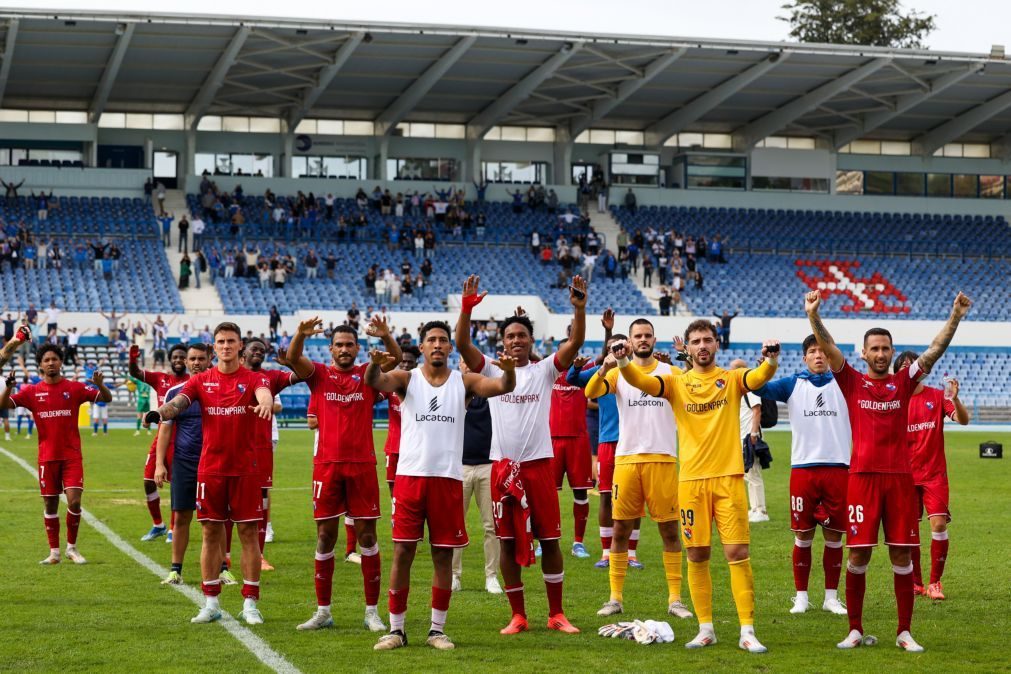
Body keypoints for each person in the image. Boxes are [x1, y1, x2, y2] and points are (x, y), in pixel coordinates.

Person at [805, 290, 972, 652]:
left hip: (899, 481)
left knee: (901, 555)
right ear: (863, 353)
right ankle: (853, 629)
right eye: (874, 349)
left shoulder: (903, 382)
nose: (880, 354)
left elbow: (934, 350)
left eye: (886, 348)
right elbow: (828, 346)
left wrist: (955, 315)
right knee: (858, 555)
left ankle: (904, 632)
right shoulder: (849, 380)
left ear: (892, 353)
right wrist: (813, 315)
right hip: (862, 479)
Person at [614, 320, 780, 653]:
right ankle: (706, 628)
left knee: (737, 553)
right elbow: (639, 380)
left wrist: (771, 360)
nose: (702, 345)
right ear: (687, 348)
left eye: (707, 340)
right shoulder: (677, 382)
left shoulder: (731, 380)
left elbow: (758, 377)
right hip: (690, 483)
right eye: (695, 341)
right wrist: (622, 361)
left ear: (716, 345)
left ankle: (747, 630)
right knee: (697, 554)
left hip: (729, 480)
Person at [368, 321, 517, 651]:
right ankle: (396, 630)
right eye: (431, 340)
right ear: (421, 348)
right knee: (403, 552)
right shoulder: (408, 379)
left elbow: (502, 387)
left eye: (443, 341)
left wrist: (508, 372)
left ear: (451, 348)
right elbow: (376, 380)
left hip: (448, 480)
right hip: (410, 478)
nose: (437, 344)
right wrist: (375, 363)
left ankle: (437, 631)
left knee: (442, 556)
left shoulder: (463, 383)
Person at [455, 274, 587, 636]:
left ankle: (557, 613)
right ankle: (518, 615)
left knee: (549, 539)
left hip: (539, 466)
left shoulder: (544, 370)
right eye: (510, 336)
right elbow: (462, 343)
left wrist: (579, 308)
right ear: (503, 342)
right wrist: (466, 309)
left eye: (522, 335)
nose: (516, 340)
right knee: (508, 542)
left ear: (531, 341)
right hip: (502, 468)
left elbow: (575, 342)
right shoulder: (491, 370)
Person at [146, 322, 276, 626]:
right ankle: (211, 602)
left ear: (240, 345)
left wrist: (266, 403)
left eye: (232, 341)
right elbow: (177, 403)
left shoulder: (254, 378)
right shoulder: (201, 381)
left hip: (246, 470)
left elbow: (264, 393)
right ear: (213, 347)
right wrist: (160, 413)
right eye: (221, 341)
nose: (226, 346)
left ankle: (250, 603)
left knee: (247, 535)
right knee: (210, 534)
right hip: (211, 470)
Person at [286, 315, 402, 633]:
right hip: (327, 467)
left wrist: (387, 335)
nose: (344, 349)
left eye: (350, 344)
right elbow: (294, 358)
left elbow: (396, 360)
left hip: (362, 467)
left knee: (367, 536)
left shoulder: (368, 374)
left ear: (358, 348)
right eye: (339, 345)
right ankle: (323, 611)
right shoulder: (319, 375)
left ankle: (371, 612)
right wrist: (300, 333)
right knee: (325, 536)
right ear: (331, 349)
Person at [586, 319, 692, 621]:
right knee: (621, 529)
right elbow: (590, 392)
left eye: (647, 335)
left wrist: (684, 356)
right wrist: (605, 367)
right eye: (637, 336)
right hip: (628, 460)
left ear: (654, 340)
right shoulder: (618, 374)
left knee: (670, 530)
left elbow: (694, 386)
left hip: (663, 459)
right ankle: (615, 598)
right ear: (630, 341)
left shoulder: (669, 372)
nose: (643, 340)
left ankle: (675, 599)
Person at [752, 335, 851, 616]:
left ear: (831, 356)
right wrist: (766, 364)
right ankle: (801, 596)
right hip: (804, 470)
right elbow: (758, 387)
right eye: (812, 351)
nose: (818, 355)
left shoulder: (845, 384)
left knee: (834, 535)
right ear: (804, 357)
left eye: (823, 351)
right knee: (803, 534)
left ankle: (831, 597)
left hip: (837, 467)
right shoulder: (793, 383)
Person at [2, 341, 112, 565]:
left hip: (71, 456)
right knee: (50, 505)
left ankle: (72, 548)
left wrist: (101, 385)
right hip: (47, 457)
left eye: (54, 359)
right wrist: (9, 387)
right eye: (46, 360)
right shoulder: (32, 392)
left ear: (61, 362)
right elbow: (3, 404)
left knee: (74, 502)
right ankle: (54, 552)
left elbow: (106, 399)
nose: (51, 363)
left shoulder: (75, 388)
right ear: (40, 365)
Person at [892, 351, 970, 600]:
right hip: (904, 476)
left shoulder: (937, 397)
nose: (908, 369)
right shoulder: (893, 401)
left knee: (938, 524)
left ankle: (935, 583)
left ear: (922, 369)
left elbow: (963, 420)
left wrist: (956, 400)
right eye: (902, 367)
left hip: (934, 475)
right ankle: (915, 582)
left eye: (912, 365)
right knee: (909, 530)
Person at [153, 343, 212, 585]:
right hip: (184, 463)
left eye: (201, 358)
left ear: (209, 360)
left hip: (213, 462)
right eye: (192, 359)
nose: (196, 363)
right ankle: (175, 570)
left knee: (214, 520)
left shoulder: (217, 389)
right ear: (186, 363)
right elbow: (164, 431)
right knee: (181, 517)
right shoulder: (174, 393)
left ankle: (221, 568)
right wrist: (159, 464)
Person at [243, 338, 300, 571]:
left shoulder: (269, 378)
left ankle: (261, 550)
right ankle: (224, 557)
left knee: (262, 491)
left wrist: (292, 363)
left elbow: (279, 402)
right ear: (243, 351)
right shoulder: (232, 374)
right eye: (253, 349)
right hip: (234, 443)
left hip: (265, 439)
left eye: (262, 350)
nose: (258, 352)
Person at [451, 360, 503, 595]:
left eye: (470, 361)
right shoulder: (452, 392)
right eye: (463, 361)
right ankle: (454, 575)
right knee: (454, 526)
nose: (467, 365)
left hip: (488, 466)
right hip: (458, 467)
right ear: (459, 365)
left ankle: (491, 576)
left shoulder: (492, 393)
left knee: (492, 526)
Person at [130, 343, 190, 542]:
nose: (178, 360)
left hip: (181, 439)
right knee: (148, 482)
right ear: (170, 360)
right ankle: (159, 525)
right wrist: (132, 358)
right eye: (175, 357)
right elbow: (136, 372)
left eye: (182, 357)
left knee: (176, 485)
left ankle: (174, 529)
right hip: (161, 438)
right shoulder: (161, 379)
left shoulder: (192, 382)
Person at [732, 359, 768, 524]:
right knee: (749, 475)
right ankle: (754, 508)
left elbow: (757, 410)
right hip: (742, 437)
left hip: (749, 437)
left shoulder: (750, 388)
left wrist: (753, 435)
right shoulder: (740, 388)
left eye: (733, 369)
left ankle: (761, 510)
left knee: (754, 474)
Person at [382, 346, 420, 495]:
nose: (405, 365)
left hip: (415, 447)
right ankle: (395, 516)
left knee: (414, 488)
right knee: (393, 486)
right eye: (402, 361)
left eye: (409, 362)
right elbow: (373, 395)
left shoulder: (423, 384)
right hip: (393, 446)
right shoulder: (391, 383)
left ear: (416, 363)